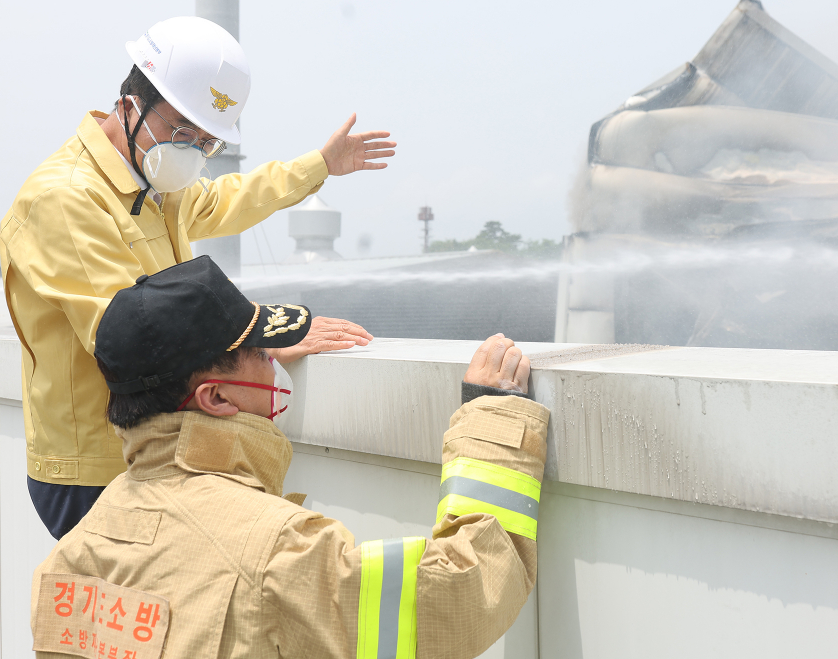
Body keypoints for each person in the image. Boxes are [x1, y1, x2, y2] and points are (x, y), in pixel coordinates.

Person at [30, 256, 548, 659]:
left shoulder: (72, 555)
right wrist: (494, 421)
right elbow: (451, 601)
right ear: (215, 397)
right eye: (261, 352)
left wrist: (246, 359)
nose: (274, 364)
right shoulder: (275, 552)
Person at [1, 16, 395, 539]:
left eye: (206, 141)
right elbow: (131, 337)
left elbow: (224, 199)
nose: (190, 151)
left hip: (153, 448)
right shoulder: (67, 198)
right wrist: (260, 336)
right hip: (95, 472)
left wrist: (318, 166)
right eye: (182, 131)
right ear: (129, 103)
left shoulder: (152, 181)